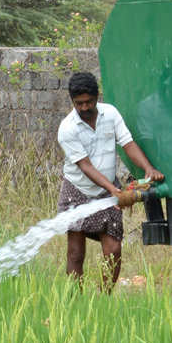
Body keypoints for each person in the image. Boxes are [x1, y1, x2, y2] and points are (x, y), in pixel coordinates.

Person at [57, 72, 163, 291]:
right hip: (77, 191)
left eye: (89, 102)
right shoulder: (67, 128)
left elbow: (128, 143)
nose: (85, 107)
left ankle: (104, 299)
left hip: (108, 191)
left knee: (113, 250)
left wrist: (148, 168)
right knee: (76, 252)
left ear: (97, 96)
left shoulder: (111, 114)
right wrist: (113, 190)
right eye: (79, 104)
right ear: (72, 102)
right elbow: (85, 166)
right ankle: (75, 302)